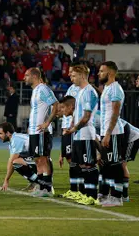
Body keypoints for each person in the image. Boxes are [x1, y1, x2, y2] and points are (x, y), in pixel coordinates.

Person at [64, 64, 99, 205]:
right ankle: (85, 194)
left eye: (74, 75)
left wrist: (74, 129)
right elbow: (77, 115)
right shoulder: (80, 92)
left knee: (89, 165)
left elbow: (86, 117)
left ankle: (93, 196)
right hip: (79, 135)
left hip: (85, 134)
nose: (71, 77)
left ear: (82, 75)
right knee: (82, 166)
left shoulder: (90, 92)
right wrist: (72, 126)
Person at [24, 67, 58, 197]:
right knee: (37, 160)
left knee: (43, 159)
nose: (24, 78)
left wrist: (47, 123)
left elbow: (55, 105)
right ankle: (41, 186)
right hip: (34, 131)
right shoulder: (36, 91)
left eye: (26, 75)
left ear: (34, 76)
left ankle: (47, 188)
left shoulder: (43, 89)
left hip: (42, 132)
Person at [97, 61, 126, 207]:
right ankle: (110, 194)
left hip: (113, 132)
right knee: (107, 165)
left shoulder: (115, 89)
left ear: (110, 73)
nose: (98, 73)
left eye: (102, 71)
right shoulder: (107, 88)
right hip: (106, 132)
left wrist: (108, 133)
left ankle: (117, 197)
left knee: (115, 165)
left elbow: (115, 113)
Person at [0, 122, 50, 193]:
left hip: (42, 162)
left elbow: (11, 161)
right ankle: (34, 182)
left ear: (8, 133)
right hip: (37, 159)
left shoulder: (15, 140)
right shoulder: (14, 139)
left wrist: (6, 180)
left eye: (0, 133)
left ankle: (40, 183)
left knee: (16, 163)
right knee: (16, 162)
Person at [58, 66, 83, 199]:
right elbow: (66, 107)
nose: (70, 75)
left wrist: (73, 126)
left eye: (72, 74)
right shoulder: (71, 88)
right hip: (67, 128)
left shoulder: (83, 90)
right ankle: (74, 189)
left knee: (77, 160)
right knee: (70, 159)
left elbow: (76, 110)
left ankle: (80, 189)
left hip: (74, 129)